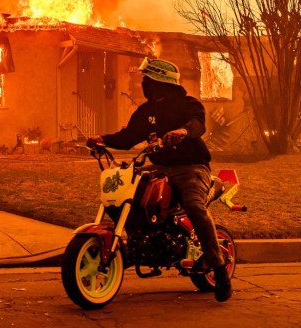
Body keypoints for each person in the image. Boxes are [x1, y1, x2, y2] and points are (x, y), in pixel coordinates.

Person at [87, 57, 232, 302]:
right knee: (126, 193)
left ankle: (218, 268)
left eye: (147, 79)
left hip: (191, 167)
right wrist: (103, 139)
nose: (143, 83)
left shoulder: (188, 104)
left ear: (160, 83)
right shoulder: (146, 112)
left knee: (195, 207)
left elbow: (197, 124)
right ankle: (139, 242)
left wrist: (182, 132)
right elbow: (128, 137)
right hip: (160, 167)